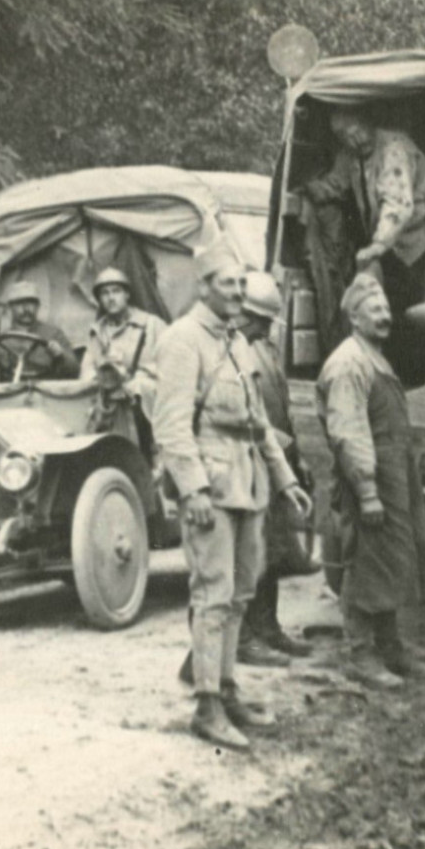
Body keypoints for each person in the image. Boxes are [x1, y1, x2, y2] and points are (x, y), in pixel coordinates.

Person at [155, 246, 312, 750]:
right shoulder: (183, 340)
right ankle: (206, 705)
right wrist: (193, 489)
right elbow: (172, 424)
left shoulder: (237, 343)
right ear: (203, 287)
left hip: (249, 485)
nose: (238, 294)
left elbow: (259, 423)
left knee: (242, 592)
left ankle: (228, 689)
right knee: (213, 595)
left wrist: (286, 480)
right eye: (229, 285)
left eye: (243, 286)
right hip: (212, 487)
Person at [317, 273, 425, 690]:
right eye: (374, 310)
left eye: (386, 309)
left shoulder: (374, 357)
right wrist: (367, 491)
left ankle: (390, 647)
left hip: (392, 473)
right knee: (365, 564)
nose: (385, 316)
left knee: (389, 562)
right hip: (368, 478)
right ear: (354, 316)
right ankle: (360, 654)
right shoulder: (349, 363)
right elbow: (348, 432)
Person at [303, 108, 425, 306]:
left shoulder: (393, 149)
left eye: (358, 132)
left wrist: (379, 244)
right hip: (411, 230)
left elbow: (396, 204)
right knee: (413, 292)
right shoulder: (350, 153)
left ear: (368, 121)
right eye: (345, 136)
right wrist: (308, 190)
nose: (356, 140)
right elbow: (337, 184)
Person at [234, 271, 315, 665]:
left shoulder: (265, 350)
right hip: (248, 465)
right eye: (257, 320)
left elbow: (281, 406)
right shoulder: (232, 352)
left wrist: (294, 460)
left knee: (276, 549)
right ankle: (245, 637)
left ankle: (268, 627)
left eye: (265, 322)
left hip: (275, 462)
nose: (261, 327)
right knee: (252, 554)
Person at [80, 266, 167, 417]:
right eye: (104, 293)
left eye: (116, 291)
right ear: (99, 300)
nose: (110, 298)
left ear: (127, 294)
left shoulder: (151, 324)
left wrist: (141, 376)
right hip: (110, 405)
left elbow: (171, 364)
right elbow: (87, 369)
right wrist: (100, 381)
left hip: (147, 405)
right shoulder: (98, 332)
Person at [0, 279, 78, 379]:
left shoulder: (53, 334)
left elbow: (74, 371)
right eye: (20, 304)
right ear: (10, 307)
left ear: (38, 306)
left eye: (31, 303)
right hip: (13, 391)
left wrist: (61, 355)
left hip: (45, 391)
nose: (26, 309)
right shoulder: (2, 341)